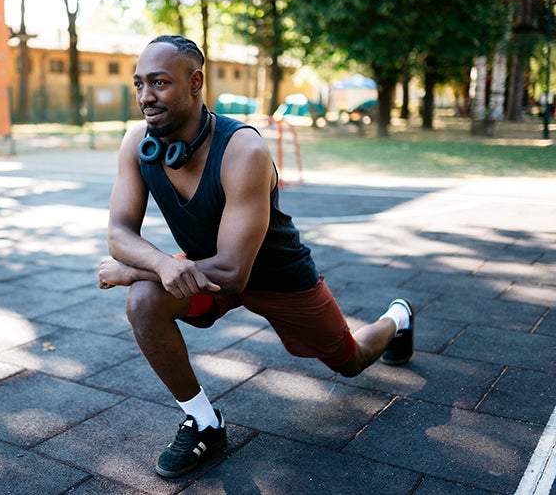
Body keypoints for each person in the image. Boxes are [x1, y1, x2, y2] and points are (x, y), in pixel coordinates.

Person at [97, 35, 414, 479]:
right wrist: (165, 266)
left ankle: (397, 319)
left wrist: (137, 270)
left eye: (160, 83)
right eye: (139, 84)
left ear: (195, 82)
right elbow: (118, 232)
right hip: (200, 270)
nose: (146, 97)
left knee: (350, 361)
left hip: (277, 276)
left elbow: (232, 270)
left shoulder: (244, 150)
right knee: (145, 302)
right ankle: (205, 421)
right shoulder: (138, 143)